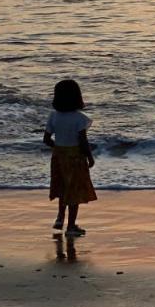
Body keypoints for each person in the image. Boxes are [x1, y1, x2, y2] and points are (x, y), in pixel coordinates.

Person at [43, 79, 97, 236]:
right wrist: (90, 157)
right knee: (74, 191)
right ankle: (71, 226)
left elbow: (46, 140)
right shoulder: (80, 118)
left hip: (58, 156)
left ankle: (60, 218)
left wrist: (58, 148)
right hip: (75, 157)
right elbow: (83, 141)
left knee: (62, 188)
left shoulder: (53, 116)